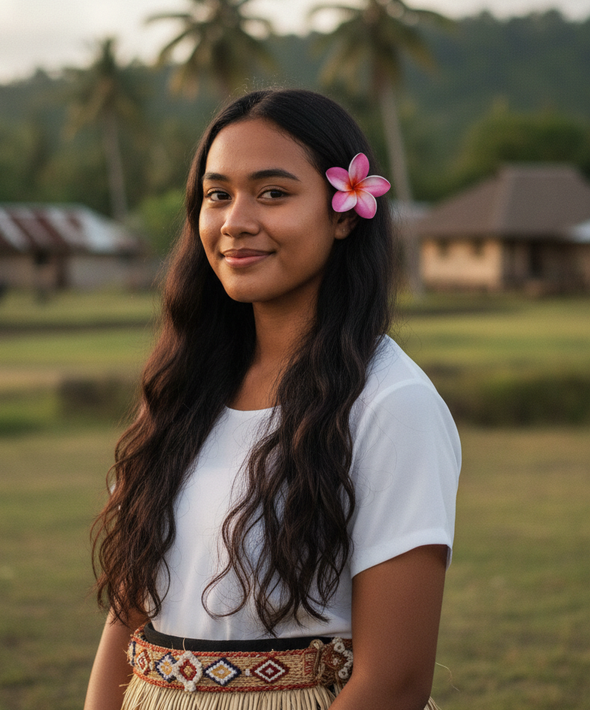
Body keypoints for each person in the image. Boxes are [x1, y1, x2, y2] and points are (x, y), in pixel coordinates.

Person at [85, 89, 461, 710]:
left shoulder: (392, 405)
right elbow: (126, 620)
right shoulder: (185, 389)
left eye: (274, 193)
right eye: (217, 194)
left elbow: (393, 683)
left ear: (344, 213)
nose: (235, 221)